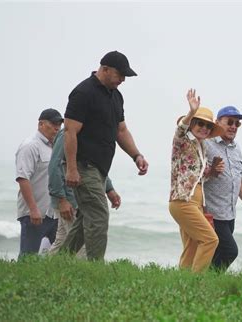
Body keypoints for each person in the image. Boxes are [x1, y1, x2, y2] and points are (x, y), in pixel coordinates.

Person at [62, 50, 148, 260]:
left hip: (100, 170)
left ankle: (58, 262)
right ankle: (95, 268)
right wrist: (72, 169)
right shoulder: (83, 92)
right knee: (99, 216)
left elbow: (121, 131)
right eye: (120, 75)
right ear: (105, 69)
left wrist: (136, 155)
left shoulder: (116, 96)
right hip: (83, 166)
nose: (123, 80)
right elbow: (69, 131)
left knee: (85, 221)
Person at [168, 89, 224, 272]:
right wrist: (191, 111)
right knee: (210, 239)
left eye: (208, 126)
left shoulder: (202, 147)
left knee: (192, 246)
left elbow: (198, 175)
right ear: (192, 123)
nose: (204, 128)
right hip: (183, 201)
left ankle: (183, 281)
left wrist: (213, 171)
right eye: (199, 123)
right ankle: (196, 282)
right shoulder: (183, 140)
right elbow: (180, 130)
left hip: (195, 203)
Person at [204, 105, 242, 271]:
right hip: (212, 214)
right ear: (217, 122)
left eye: (237, 124)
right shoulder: (207, 145)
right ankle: (207, 279)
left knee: (217, 253)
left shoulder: (237, 149)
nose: (234, 126)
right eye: (229, 122)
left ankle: (204, 283)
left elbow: (240, 182)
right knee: (230, 251)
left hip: (229, 215)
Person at [48, 128, 121, 257]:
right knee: (81, 249)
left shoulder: (93, 133)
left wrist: (109, 189)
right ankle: (84, 271)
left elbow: (96, 167)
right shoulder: (68, 132)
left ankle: (52, 268)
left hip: (83, 199)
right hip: (70, 200)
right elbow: (55, 165)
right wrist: (61, 200)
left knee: (61, 241)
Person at [15, 108, 63, 259]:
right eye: (53, 123)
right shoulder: (30, 146)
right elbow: (23, 178)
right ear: (41, 124)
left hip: (53, 213)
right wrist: (33, 209)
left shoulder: (55, 147)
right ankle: (20, 281)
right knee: (28, 257)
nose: (57, 128)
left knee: (59, 257)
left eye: (59, 124)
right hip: (35, 213)